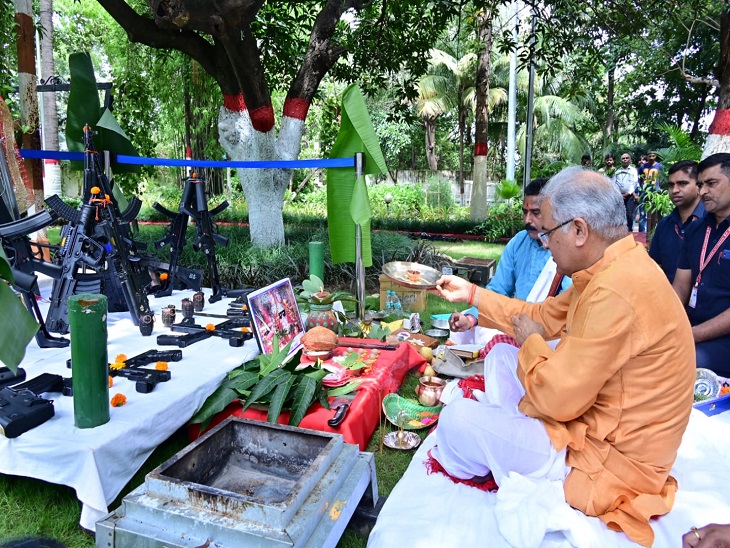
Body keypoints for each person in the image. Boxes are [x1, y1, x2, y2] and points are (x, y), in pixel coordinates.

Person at [429, 166, 695, 547]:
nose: (544, 242)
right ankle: (512, 434)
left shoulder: (616, 290)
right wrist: (472, 295)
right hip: (588, 422)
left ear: (580, 231)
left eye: (548, 232)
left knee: (455, 418)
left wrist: (535, 344)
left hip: (605, 461)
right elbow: (538, 317)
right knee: (504, 353)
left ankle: (511, 445)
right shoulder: (613, 268)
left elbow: (558, 399)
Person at [449, 177, 571, 338]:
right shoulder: (518, 242)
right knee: (464, 333)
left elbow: (564, 308)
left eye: (535, 213)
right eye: (525, 212)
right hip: (512, 317)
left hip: (547, 329)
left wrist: (525, 321)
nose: (528, 220)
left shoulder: (565, 247)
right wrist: (471, 319)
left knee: (499, 346)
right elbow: (498, 290)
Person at [673, 153, 730, 375]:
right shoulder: (696, 229)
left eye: (711, 183)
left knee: (684, 362)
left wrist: (691, 335)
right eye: (700, 184)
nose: (703, 191)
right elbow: (680, 287)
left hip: (721, 338)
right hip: (690, 328)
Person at [649, 160, 704, 282]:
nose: (674, 190)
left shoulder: (713, 222)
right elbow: (656, 266)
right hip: (669, 297)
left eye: (682, 183)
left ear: (699, 186)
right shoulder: (664, 226)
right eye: (671, 185)